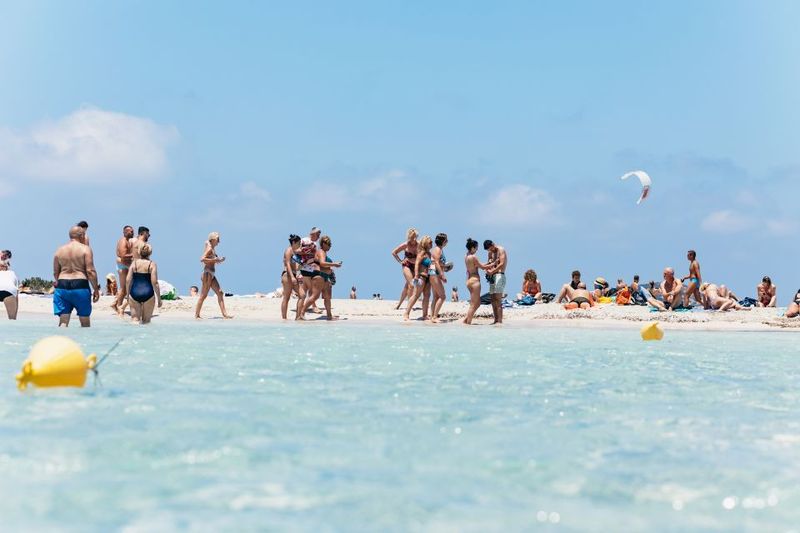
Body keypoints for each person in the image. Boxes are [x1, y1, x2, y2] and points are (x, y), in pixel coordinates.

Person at [53, 226, 100, 327]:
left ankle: (61, 342)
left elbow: (55, 272)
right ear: (82, 235)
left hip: (62, 284)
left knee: (63, 323)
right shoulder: (85, 249)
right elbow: (90, 271)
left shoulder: (59, 250)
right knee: (85, 321)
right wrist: (95, 289)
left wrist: (58, 282)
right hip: (80, 285)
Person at [195, 232, 232, 319]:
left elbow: (206, 243)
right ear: (213, 240)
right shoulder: (210, 248)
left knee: (220, 292)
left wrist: (218, 260)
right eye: (218, 239)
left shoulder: (211, 247)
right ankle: (197, 315)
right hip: (207, 273)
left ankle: (225, 314)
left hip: (211, 273)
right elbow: (202, 259)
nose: (219, 241)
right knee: (203, 295)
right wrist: (215, 260)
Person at [126, 243, 161, 324]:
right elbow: (155, 283)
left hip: (134, 293)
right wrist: (159, 299)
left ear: (139, 252)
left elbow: (128, 280)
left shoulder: (134, 263)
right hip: (148, 294)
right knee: (146, 322)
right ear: (150, 253)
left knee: (134, 321)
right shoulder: (152, 264)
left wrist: (128, 295)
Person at [403, 236, 434, 321]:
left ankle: (425, 315)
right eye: (430, 242)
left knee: (427, 296)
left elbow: (431, 266)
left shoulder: (430, 254)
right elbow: (416, 264)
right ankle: (406, 314)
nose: (432, 244)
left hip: (429, 277)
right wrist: (416, 275)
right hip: (421, 276)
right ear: (426, 243)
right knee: (416, 295)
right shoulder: (422, 253)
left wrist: (434, 275)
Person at [296, 227, 322, 316]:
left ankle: (305, 309)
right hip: (304, 268)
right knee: (309, 289)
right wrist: (305, 251)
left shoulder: (317, 244)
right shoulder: (304, 240)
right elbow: (296, 251)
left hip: (312, 268)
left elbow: (316, 256)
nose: (319, 236)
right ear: (313, 233)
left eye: (319, 234)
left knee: (309, 289)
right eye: (318, 234)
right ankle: (309, 308)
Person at [315, 235, 343, 320]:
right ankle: (300, 314)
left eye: (330, 244)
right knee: (315, 296)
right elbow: (322, 263)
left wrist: (331, 270)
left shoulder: (324, 252)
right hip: (320, 277)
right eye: (329, 244)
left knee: (327, 297)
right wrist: (334, 264)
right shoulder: (321, 252)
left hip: (325, 277)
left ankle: (329, 315)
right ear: (324, 244)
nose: (330, 246)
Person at [391, 228, 419, 310]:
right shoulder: (405, 245)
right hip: (407, 265)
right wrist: (400, 261)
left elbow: (426, 253)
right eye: (412, 237)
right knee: (411, 284)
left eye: (415, 237)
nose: (413, 239)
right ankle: (409, 306)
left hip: (416, 266)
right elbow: (394, 252)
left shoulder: (419, 244)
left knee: (407, 286)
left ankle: (399, 304)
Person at [463, 238, 489, 325]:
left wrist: (488, 263)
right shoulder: (473, 257)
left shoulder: (466, 256)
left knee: (477, 303)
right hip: (475, 281)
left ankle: (466, 319)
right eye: (476, 247)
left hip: (469, 281)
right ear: (473, 248)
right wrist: (494, 262)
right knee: (473, 304)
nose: (477, 249)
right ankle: (468, 323)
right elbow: (482, 267)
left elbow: (479, 265)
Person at [484, 240, 507, 324]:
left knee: (498, 299)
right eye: (488, 250)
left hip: (499, 275)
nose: (490, 251)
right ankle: (495, 320)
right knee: (492, 299)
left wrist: (492, 271)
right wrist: (487, 268)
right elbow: (489, 263)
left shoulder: (501, 250)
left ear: (493, 244)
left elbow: (501, 263)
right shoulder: (490, 252)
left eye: (491, 249)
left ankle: (500, 321)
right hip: (492, 276)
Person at [280, 234, 304, 320]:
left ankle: (298, 317)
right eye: (298, 243)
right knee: (287, 297)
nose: (300, 244)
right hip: (287, 275)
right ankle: (284, 318)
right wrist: (292, 277)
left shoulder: (297, 252)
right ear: (294, 242)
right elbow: (288, 264)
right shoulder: (288, 250)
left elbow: (299, 265)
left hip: (294, 275)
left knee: (302, 295)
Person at [112, 225, 134, 314]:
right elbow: (122, 255)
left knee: (124, 288)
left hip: (124, 265)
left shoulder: (128, 241)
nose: (132, 233)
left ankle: (118, 306)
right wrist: (134, 254)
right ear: (125, 232)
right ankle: (116, 304)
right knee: (123, 288)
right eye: (131, 231)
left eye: (133, 231)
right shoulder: (123, 241)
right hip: (122, 265)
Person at [429, 233, 449, 323]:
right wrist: (442, 275)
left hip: (433, 272)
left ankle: (432, 316)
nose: (447, 242)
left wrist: (444, 267)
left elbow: (437, 262)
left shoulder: (438, 249)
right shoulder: (437, 249)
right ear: (443, 241)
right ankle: (434, 317)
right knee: (442, 296)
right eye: (446, 240)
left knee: (436, 296)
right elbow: (436, 262)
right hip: (435, 273)